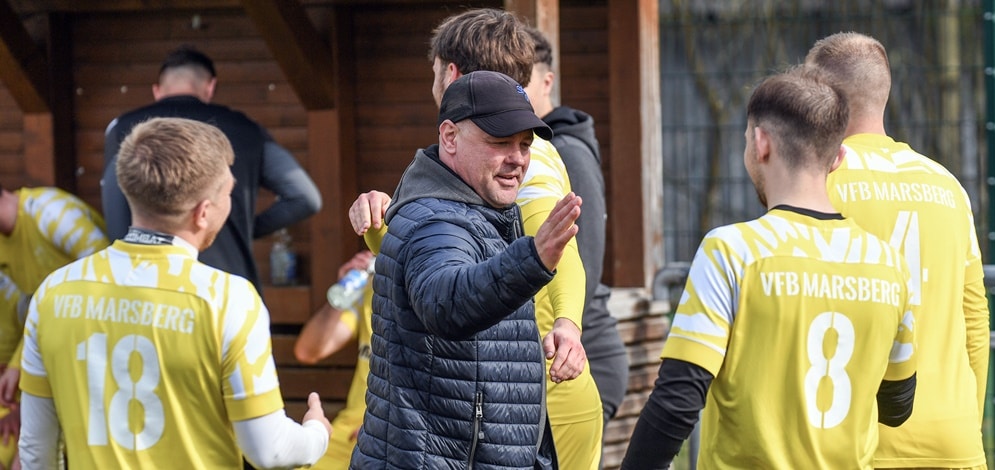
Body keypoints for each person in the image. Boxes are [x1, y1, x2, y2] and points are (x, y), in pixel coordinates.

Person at [620, 69, 918, 469]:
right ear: (838, 158)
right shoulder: (890, 264)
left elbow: (678, 400)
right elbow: (897, 405)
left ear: (761, 143)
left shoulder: (732, 251)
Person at [348, 9, 601, 468]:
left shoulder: (528, 163)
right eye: (502, 142)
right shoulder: (455, 175)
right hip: (487, 402)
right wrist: (387, 225)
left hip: (548, 392)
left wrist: (567, 324)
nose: (516, 156)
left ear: (450, 73)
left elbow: (557, 248)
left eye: (521, 144)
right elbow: (434, 271)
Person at [18, 117, 332, 469]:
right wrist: (317, 432)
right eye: (228, 193)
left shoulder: (53, 292)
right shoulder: (228, 300)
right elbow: (269, 451)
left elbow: (36, 450)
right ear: (203, 213)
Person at [806, 32, 990, 469]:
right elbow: (975, 321)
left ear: (822, 98)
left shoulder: (817, 183)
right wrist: (967, 423)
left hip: (853, 445)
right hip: (953, 443)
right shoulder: (948, 186)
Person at [102, 45, 322, 294]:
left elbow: (113, 199)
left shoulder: (123, 129)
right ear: (210, 87)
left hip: (138, 282)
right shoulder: (246, 129)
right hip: (227, 281)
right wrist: (243, 227)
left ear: (157, 90)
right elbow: (305, 197)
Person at [523, 25, 629, 434]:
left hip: (583, 359)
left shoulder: (563, 151)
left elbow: (585, 258)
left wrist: (567, 328)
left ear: (547, 81)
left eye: (521, 80)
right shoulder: (531, 149)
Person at [0, 183, 110, 469]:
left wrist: (21, 366)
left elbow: (107, 269)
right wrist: (16, 368)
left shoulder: (49, 212)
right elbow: (34, 313)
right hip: (58, 351)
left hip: (104, 345)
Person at [293, 250, 375, 470]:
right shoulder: (371, 287)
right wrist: (343, 293)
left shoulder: (435, 289)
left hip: (400, 435)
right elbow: (308, 351)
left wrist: (389, 425)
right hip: (348, 433)